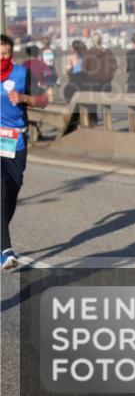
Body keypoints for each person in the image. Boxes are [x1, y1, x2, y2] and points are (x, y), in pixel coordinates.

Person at [2, 33, 49, 270]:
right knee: (0, 191)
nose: (3, 57)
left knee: (13, 188)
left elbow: (43, 100)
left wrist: (23, 98)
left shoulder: (21, 73)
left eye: (6, 53)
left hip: (15, 140)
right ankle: (5, 249)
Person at [82, 31, 118, 126]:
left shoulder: (88, 53)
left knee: (92, 105)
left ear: (92, 41)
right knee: (106, 104)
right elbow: (114, 67)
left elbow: (84, 68)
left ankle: (93, 124)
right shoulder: (108, 52)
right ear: (101, 41)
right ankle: (108, 124)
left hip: (92, 81)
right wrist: (109, 75)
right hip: (106, 80)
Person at [40, 37, 57, 103]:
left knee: (43, 86)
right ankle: (51, 101)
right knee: (50, 86)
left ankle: (45, 102)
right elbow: (54, 62)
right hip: (51, 69)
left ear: (42, 43)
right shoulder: (52, 50)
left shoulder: (41, 51)